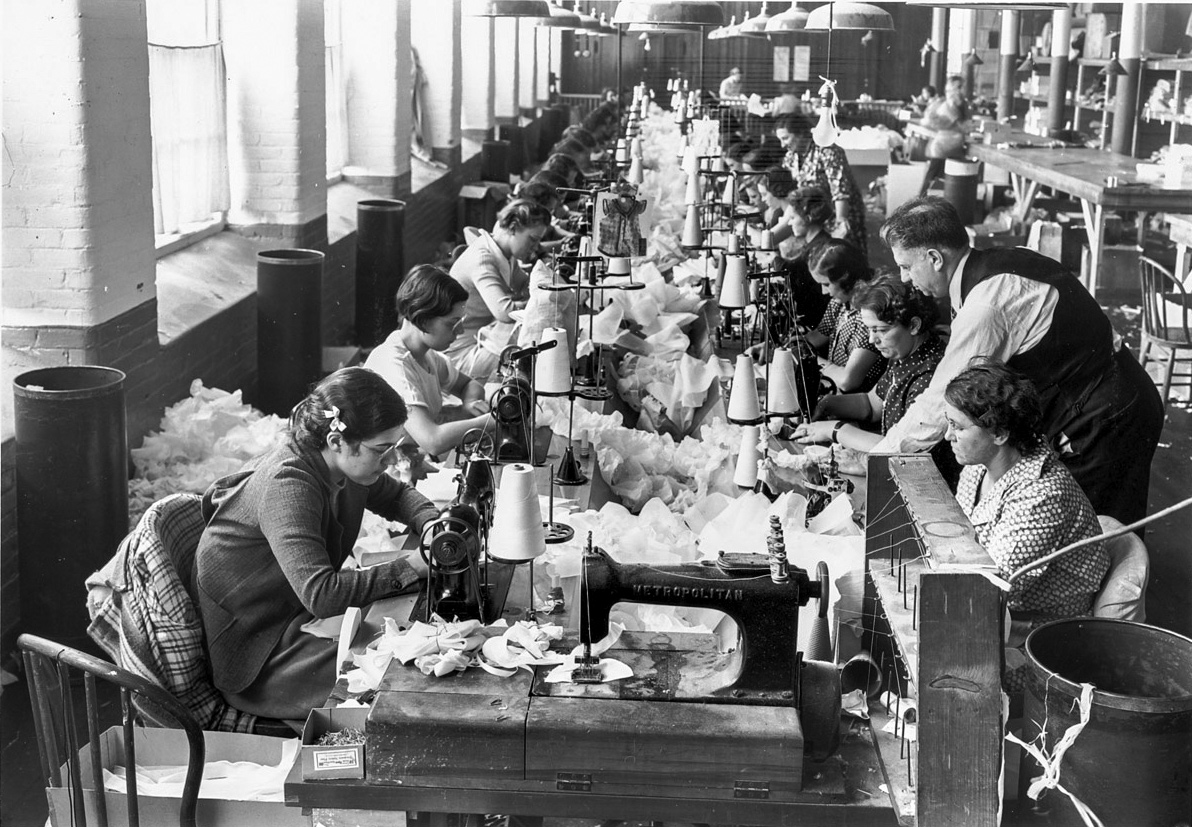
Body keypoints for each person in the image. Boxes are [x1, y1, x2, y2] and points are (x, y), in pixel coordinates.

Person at [874, 196, 1164, 526]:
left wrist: (880, 459)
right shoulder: (1001, 260)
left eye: (907, 266)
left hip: (1108, 415)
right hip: (1117, 393)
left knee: (1091, 533)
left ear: (935, 258)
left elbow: (939, 406)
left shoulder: (986, 305)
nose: (906, 278)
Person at [194, 367, 438, 721]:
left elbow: (397, 496)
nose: (390, 462)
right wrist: (412, 566)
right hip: (263, 656)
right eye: (382, 450)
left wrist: (431, 523)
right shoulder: (288, 484)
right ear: (338, 441)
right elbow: (322, 595)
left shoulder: (343, 465)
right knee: (401, 672)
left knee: (408, 648)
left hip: (295, 618)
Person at [943, 362, 1108, 691]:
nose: (948, 436)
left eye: (957, 427)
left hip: (1038, 639)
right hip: (1000, 616)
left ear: (1000, 434)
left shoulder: (1042, 495)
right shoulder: (980, 465)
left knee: (947, 678)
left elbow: (989, 591)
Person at [793, 274, 958, 483]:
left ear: (914, 325)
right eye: (869, 330)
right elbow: (873, 404)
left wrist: (834, 430)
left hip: (919, 480)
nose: (872, 340)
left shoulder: (930, 374)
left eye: (880, 330)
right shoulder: (905, 354)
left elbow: (896, 447)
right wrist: (828, 404)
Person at [364, 265, 494, 459]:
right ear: (423, 321)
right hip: (383, 472)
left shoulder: (425, 354)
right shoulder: (394, 366)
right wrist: (492, 422)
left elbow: (469, 384)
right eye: (452, 324)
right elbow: (432, 441)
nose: (459, 332)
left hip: (410, 460)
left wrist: (470, 403)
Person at [447, 199, 553, 382]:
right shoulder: (483, 259)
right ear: (513, 228)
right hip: (461, 356)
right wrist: (546, 299)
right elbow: (505, 312)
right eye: (532, 239)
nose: (536, 247)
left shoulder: (505, 254)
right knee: (535, 356)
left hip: (482, 340)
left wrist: (547, 291)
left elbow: (526, 284)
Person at [799, 239, 887, 393]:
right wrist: (785, 348)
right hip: (835, 391)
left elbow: (848, 381)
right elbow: (819, 335)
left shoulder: (869, 314)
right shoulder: (840, 301)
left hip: (857, 404)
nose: (824, 292)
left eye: (826, 284)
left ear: (845, 276)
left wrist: (809, 358)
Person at [774, 113, 868, 254]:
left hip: (841, 213)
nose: (782, 145)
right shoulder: (790, 157)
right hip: (815, 217)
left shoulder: (828, 151)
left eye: (785, 138)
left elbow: (840, 191)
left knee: (844, 257)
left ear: (800, 133)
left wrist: (840, 222)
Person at [919, 76, 969, 196]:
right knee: (933, 177)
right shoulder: (949, 106)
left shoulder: (958, 104)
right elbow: (961, 126)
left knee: (937, 178)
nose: (962, 90)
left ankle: (923, 203)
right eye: (960, 87)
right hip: (944, 146)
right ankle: (919, 203)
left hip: (950, 145)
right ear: (953, 89)